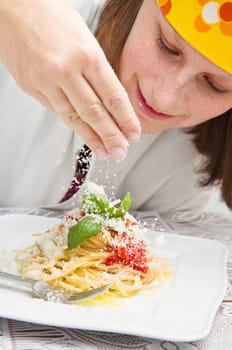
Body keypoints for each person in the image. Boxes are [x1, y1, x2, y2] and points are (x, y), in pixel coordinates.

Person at [0, 0, 231, 214]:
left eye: (215, 85)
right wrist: (12, 11)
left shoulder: (191, 165)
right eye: (166, 46)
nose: (163, 99)